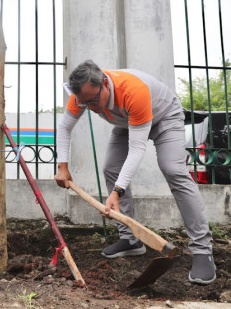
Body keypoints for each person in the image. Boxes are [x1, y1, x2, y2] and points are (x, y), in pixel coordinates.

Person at [54, 60, 215, 285]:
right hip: (128, 122)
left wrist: (116, 192)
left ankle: (202, 250)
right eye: (84, 103)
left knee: (172, 168)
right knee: (111, 168)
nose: (88, 107)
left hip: (164, 117)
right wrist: (62, 167)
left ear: (105, 85)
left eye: (92, 101)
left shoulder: (132, 90)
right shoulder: (82, 94)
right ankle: (130, 240)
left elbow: (137, 148)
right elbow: (65, 127)